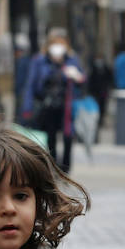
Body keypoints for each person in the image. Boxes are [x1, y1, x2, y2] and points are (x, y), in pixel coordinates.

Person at [20, 30, 85, 173]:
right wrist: (27, 108)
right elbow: (31, 85)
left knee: (68, 137)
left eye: (61, 43)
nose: (58, 47)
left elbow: (82, 82)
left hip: (67, 107)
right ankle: (54, 167)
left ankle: (66, 169)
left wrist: (76, 76)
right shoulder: (39, 60)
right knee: (51, 137)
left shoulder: (72, 60)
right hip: (47, 106)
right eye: (55, 43)